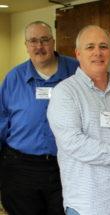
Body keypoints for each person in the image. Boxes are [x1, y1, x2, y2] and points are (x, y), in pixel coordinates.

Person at [47, 25, 110, 215]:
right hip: (90, 205)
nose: (98, 53)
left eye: (103, 46)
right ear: (78, 54)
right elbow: (73, 143)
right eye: (90, 47)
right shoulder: (65, 93)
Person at [0, 21, 78, 215]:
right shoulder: (13, 78)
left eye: (44, 40)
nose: (39, 46)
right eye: (33, 41)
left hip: (66, 167)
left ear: (53, 42)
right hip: (20, 168)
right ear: (26, 46)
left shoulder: (76, 71)